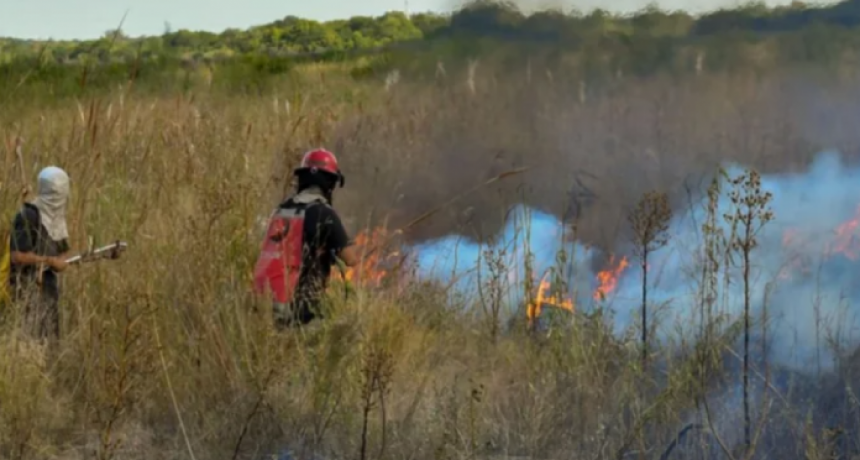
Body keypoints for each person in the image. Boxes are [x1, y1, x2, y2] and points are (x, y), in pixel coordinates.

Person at [254, 148, 359, 329]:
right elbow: (351, 259)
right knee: (347, 332)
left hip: (267, 302)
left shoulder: (281, 210)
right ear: (330, 184)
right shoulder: (324, 213)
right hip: (302, 308)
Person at [8, 166, 72, 340]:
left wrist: (61, 263)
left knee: (49, 338)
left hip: (48, 288)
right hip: (25, 287)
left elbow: (63, 252)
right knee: (28, 338)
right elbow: (17, 256)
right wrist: (50, 261)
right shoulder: (28, 215)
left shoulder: (57, 217)